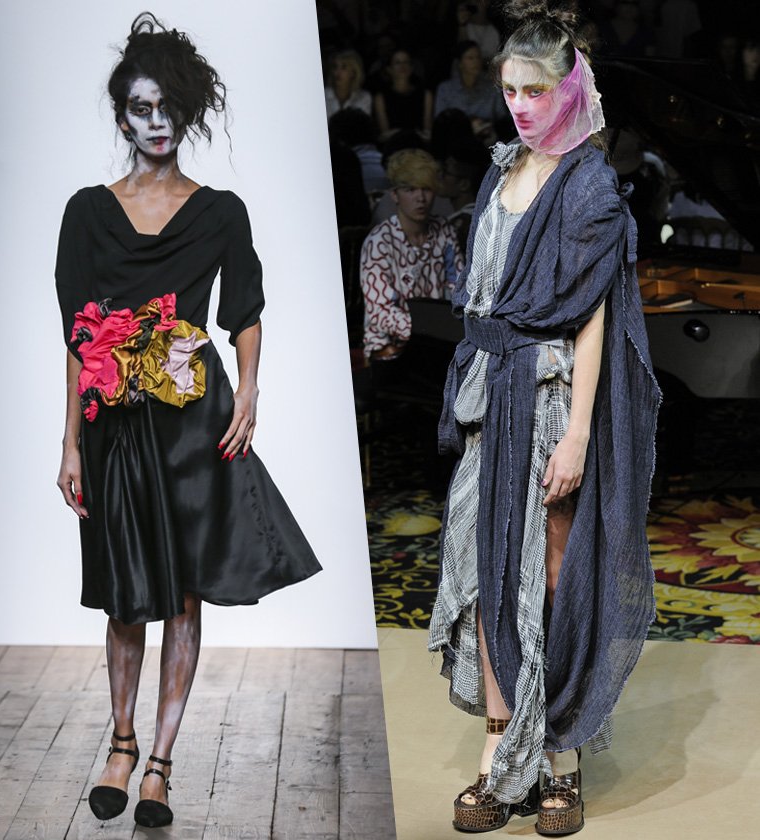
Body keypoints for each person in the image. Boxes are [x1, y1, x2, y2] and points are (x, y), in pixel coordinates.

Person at [54, 13, 321, 829]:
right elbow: (78, 336)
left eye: (168, 106)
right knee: (124, 595)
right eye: (141, 108)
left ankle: (159, 766)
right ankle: (120, 744)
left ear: (188, 110)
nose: (156, 121)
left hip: (192, 417)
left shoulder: (220, 212)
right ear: (121, 117)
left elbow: (245, 312)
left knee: (183, 596)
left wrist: (250, 392)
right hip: (114, 422)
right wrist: (69, 440)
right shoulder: (86, 213)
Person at [426, 1, 660, 834]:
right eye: (509, 91)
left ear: (567, 88)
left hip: (553, 397)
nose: (521, 106)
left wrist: (579, 432)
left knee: (555, 576)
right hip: (493, 396)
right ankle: (499, 749)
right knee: (487, 571)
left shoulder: (588, 183)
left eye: (534, 91)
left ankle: (559, 754)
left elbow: (593, 318)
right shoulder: (501, 170)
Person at [360, 148, 463, 360]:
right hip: (391, 347)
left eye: (426, 189)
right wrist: (432, 330)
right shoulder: (379, 242)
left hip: (437, 339)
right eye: (410, 190)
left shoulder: (444, 230)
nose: (420, 198)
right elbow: (380, 311)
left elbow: (459, 286)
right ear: (395, 195)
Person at [324, 48, 372, 117]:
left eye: (343, 67)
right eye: (335, 67)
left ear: (353, 72)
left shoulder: (363, 97)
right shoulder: (324, 94)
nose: (337, 72)